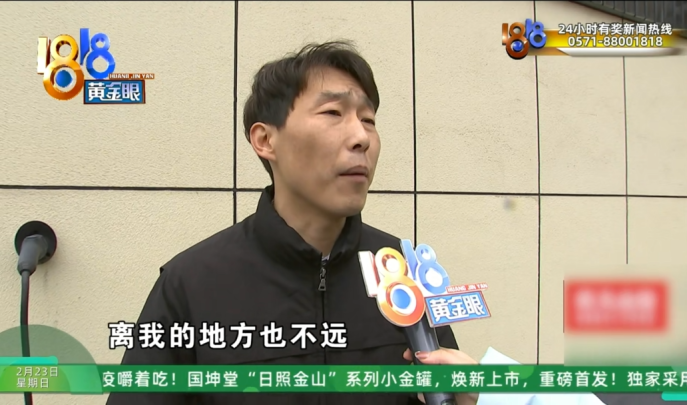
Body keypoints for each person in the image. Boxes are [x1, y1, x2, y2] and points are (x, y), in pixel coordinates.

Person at [106, 41, 461, 405]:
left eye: (368, 120)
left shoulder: (402, 273)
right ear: (265, 140)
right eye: (333, 113)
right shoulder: (191, 283)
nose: (361, 138)